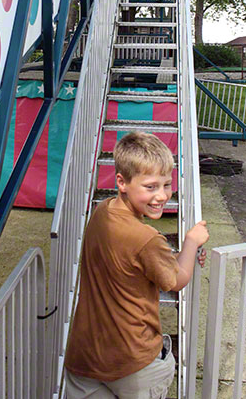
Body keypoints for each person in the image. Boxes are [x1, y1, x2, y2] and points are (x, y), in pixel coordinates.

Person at [64, 131, 209, 399]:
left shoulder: (102, 212)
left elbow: (134, 265)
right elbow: (176, 281)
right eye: (150, 186)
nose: (162, 195)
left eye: (167, 184)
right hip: (133, 363)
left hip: (85, 358)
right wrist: (190, 243)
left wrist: (180, 258)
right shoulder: (147, 239)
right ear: (121, 181)